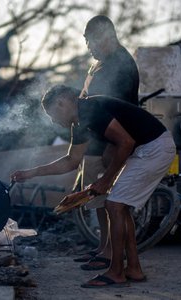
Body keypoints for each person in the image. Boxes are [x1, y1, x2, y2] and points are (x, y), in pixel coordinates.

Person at [10, 85, 176, 288]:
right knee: (119, 206)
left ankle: (116, 272)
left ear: (62, 103)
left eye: (52, 114)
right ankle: (133, 268)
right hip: (146, 148)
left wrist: (106, 179)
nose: (53, 121)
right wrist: (30, 173)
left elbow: (125, 142)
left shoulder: (90, 109)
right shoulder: (79, 122)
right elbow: (71, 160)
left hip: (155, 147)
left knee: (114, 205)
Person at [73, 15, 140, 270]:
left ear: (106, 36)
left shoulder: (121, 63)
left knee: (111, 201)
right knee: (98, 200)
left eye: (90, 40)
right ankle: (103, 247)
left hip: (110, 143)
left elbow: (121, 111)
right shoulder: (99, 64)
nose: (88, 46)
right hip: (96, 140)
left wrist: (113, 146)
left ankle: (111, 252)